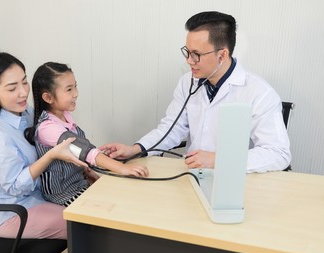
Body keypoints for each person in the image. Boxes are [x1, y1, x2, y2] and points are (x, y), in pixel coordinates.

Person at [100, 11, 291, 173]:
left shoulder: (259, 93)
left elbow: (278, 153)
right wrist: (136, 149)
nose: (189, 61)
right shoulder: (188, 82)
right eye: (187, 52)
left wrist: (218, 160)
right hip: (191, 175)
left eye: (196, 54)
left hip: (237, 181)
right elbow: (172, 128)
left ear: (222, 54)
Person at [0, 52, 87, 239]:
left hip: (40, 197)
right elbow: (15, 187)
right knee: (87, 224)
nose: (23, 92)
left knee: (97, 208)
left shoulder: (26, 114)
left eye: (24, 82)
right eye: (12, 88)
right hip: (11, 212)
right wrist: (51, 155)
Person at [24, 62, 149, 206]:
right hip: (62, 194)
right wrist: (122, 168)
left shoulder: (65, 116)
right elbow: (84, 151)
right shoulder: (48, 128)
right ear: (48, 98)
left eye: (75, 86)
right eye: (69, 89)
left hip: (79, 184)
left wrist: (86, 170)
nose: (76, 93)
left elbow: (78, 153)